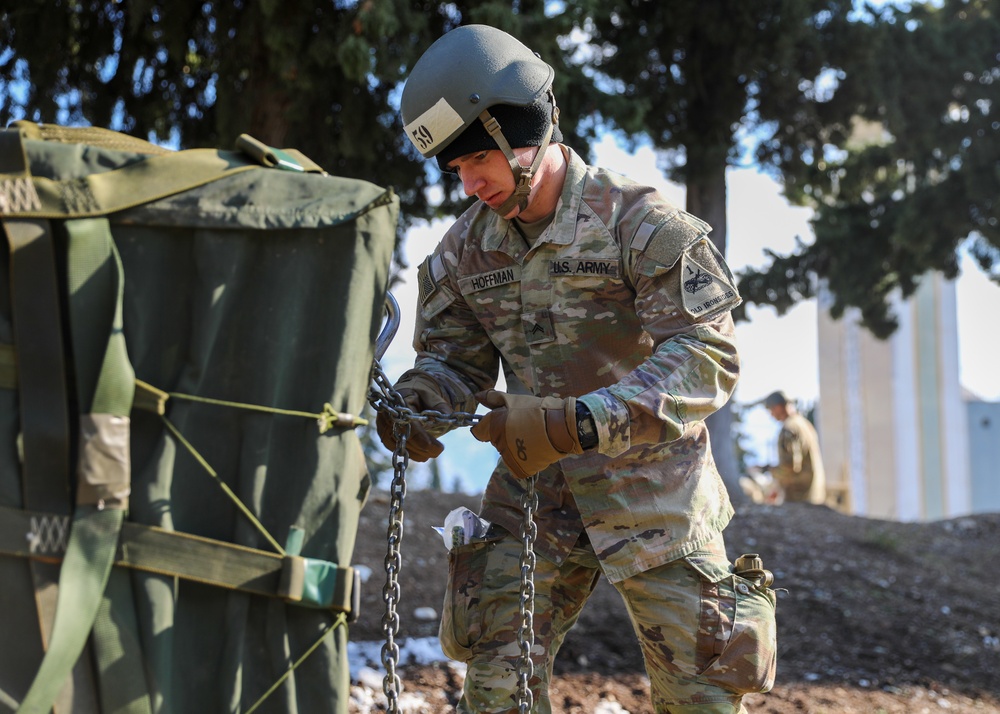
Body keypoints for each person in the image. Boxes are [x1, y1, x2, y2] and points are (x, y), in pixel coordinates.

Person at [377, 24, 777, 713]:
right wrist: (417, 404)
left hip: (657, 501)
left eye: (477, 159)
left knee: (703, 697)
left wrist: (579, 422)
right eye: (453, 169)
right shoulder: (461, 252)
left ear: (521, 132)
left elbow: (708, 355)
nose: (469, 183)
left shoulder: (639, 223)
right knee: (494, 692)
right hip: (535, 501)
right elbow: (451, 360)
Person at [763, 390, 827, 505]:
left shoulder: (789, 428)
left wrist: (768, 471)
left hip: (799, 497)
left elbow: (791, 467)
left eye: (770, 410)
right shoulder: (804, 424)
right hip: (815, 493)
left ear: (778, 407)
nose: (771, 414)